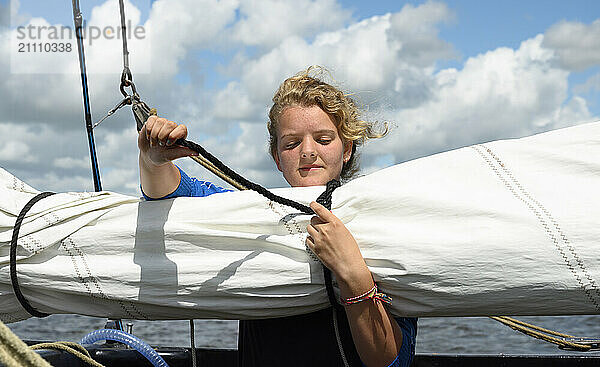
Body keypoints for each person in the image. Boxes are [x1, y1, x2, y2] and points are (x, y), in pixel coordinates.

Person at [137, 67, 417, 367]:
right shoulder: (253, 215)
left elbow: (391, 362)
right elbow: (173, 193)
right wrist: (152, 160)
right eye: (292, 143)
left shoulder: (382, 222)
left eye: (323, 139)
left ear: (346, 149)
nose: (308, 152)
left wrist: (353, 274)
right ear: (277, 158)